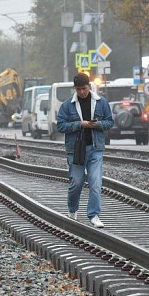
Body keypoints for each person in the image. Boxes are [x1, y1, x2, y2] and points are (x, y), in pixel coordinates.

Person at [57, 72, 113, 228]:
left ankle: (94, 215)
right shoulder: (67, 105)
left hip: (95, 148)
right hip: (76, 150)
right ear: (75, 89)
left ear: (89, 86)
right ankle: (72, 209)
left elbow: (109, 122)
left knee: (95, 182)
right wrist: (79, 125)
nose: (82, 92)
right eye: (79, 89)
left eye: (84, 88)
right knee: (76, 182)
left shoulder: (101, 103)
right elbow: (60, 126)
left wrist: (98, 124)